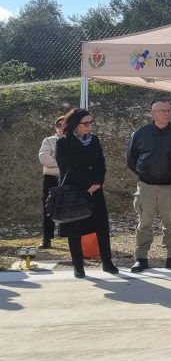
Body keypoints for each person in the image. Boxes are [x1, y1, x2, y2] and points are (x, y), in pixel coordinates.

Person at [127, 100, 171, 273]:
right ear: (152, 113)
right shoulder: (140, 134)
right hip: (146, 186)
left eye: (169, 110)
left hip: (169, 186)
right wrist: (145, 172)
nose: (166, 113)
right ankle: (141, 258)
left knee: (170, 223)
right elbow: (131, 159)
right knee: (144, 223)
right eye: (162, 110)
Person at [55, 108, 118, 278]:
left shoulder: (94, 140)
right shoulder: (63, 143)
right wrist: (86, 186)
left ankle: (107, 262)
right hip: (74, 192)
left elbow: (101, 163)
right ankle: (78, 265)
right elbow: (66, 168)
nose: (89, 126)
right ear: (75, 124)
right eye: (86, 123)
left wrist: (97, 182)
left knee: (101, 227)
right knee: (75, 229)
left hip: (95, 191)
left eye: (91, 122)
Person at [38, 115, 65, 248]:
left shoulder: (75, 141)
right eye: (59, 125)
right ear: (56, 127)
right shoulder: (48, 141)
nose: (62, 127)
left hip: (68, 179)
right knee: (48, 209)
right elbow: (44, 159)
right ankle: (47, 238)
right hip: (51, 179)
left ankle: (71, 237)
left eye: (64, 125)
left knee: (69, 207)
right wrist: (64, 163)